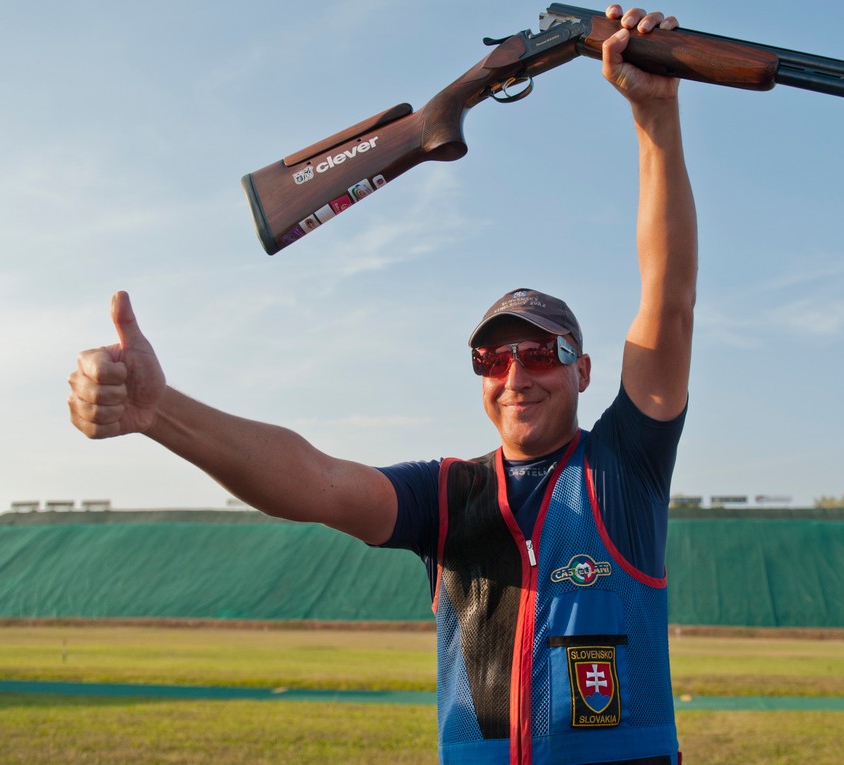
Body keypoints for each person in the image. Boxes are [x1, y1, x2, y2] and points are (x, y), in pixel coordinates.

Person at [67, 5, 696, 763]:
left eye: (540, 352)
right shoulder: (450, 494)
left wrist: (655, 116)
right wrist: (159, 410)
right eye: (492, 360)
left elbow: (668, 298)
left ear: (582, 369)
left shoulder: (622, 469)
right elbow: (318, 481)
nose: (515, 375)